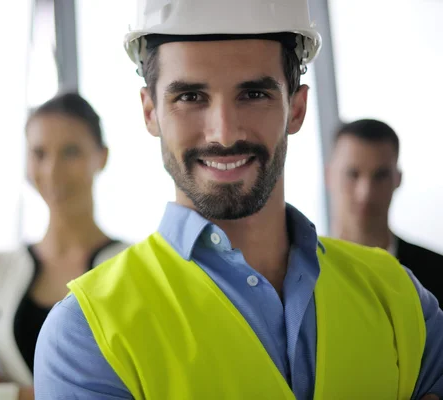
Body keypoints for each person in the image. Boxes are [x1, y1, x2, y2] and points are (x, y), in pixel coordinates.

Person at [33, 0, 443, 399]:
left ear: (296, 108)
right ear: (150, 112)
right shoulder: (86, 334)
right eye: (191, 97)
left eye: (254, 94)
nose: (224, 134)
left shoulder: (400, 299)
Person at [0, 92, 129, 400]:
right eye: (39, 153)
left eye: (71, 152)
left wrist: (3, 388)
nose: (52, 170)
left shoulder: (132, 268)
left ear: (102, 157)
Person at [326, 118, 443, 304]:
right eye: (352, 174)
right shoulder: (302, 278)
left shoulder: (438, 274)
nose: (365, 192)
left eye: (380, 175)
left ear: (398, 179)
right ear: (329, 176)